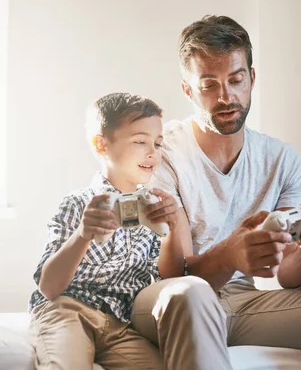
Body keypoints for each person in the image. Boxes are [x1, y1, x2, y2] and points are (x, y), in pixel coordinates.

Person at [131, 15, 301, 370]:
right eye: (209, 85)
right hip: (166, 301)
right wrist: (228, 255)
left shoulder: (281, 160)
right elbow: (174, 275)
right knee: (191, 294)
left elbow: (287, 275)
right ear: (188, 91)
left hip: (243, 304)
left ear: (252, 77)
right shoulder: (160, 154)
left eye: (236, 80)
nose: (226, 96)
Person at [28, 93, 185, 369]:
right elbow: (49, 287)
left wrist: (173, 228)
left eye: (157, 144)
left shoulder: (151, 211)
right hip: (68, 311)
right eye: (140, 142)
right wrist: (83, 233)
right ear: (102, 145)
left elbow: (168, 277)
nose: (152, 153)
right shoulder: (78, 204)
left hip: (120, 324)